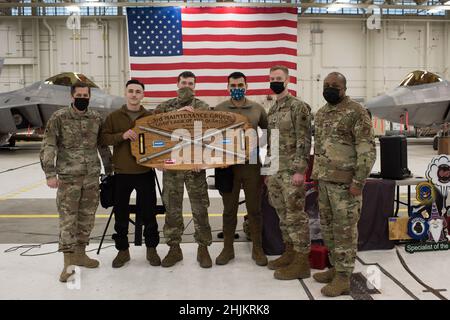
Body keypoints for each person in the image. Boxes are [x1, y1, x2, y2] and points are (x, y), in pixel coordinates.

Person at [40, 81, 112, 282]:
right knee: (68, 220)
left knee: (87, 218)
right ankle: (68, 263)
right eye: (79, 95)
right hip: (68, 179)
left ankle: (80, 254)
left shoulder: (96, 117)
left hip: (91, 177)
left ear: (90, 96)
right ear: (72, 96)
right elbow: (49, 145)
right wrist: (50, 173)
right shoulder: (59, 118)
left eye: (85, 95)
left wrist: (109, 170)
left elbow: (103, 146)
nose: (82, 98)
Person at [312, 72, 376, 297]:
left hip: (346, 186)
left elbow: (367, 150)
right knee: (328, 229)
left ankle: (344, 277)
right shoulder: (321, 114)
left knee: (345, 231)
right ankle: (335, 268)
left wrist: (358, 182)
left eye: (335, 85)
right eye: (326, 85)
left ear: (344, 88)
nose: (330, 88)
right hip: (325, 182)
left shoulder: (356, 112)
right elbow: (320, 148)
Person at [154, 71, 213, 268]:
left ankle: (203, 248)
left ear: (195, 86)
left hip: (195, 167)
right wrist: (159, 161)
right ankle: (174, 249)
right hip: (173, 167)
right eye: (183, 82)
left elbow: (211, 136)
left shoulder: (203, 107)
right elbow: (155, 133)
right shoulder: (165, 107)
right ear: (177, 84)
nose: (186, 86)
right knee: (172, 209)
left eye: (190, 83)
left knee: (200, 209)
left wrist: (204, 161)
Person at [100, 79, 160, 268]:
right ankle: (122, 251)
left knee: (149, 213)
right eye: (131, 91)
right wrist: (122, 136)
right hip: (122, 173)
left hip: (145, 172)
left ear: (143, 95)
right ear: (126, 93)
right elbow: (103, 138)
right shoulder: (114, 117)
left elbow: (158, 141)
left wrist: (159, 161)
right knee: (121, 214)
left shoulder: (149, 116)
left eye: (138, 91)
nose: (134, 94)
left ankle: (151, 249)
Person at [214, 71, 268, 266]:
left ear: (247, 86)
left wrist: (270, 167)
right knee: (229, 211)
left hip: (252, 166)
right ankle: (228, 249)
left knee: (255, 210)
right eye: (233, 86)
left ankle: (258, 248)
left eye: (240, 85)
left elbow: (272, 135)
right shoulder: (218, 109)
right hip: (227, 168)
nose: (237, 89)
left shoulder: (257, 109)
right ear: (228, 87)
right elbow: (208, 138)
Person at [265, 65, 312, 280]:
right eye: (272, 78)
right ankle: (290, 252)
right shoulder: (273, 110)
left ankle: (302, 262)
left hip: (292, 171)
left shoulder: (298, 107)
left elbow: (304, 140)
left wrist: (300, 170)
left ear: (287, 80)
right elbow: (271, 143)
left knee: (295, 216)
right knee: (282, 216)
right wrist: (268, 170)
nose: (275, 81)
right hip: (276, 172)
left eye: (278, 78)